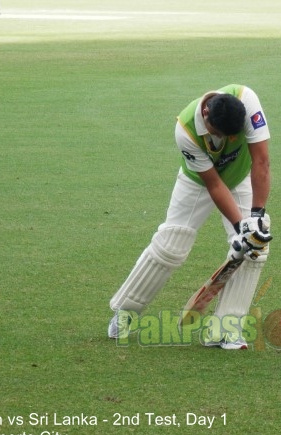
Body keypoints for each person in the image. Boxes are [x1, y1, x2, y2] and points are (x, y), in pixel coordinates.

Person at [107, 84, 272, 349]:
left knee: (255, 249)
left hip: (240, 178)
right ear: (206, 115)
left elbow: (261, 161)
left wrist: (256, 216)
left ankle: (226, 330)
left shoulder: (247, 101)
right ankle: (126, 312)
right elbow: (215, 186)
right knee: (170, 246)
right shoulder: (185, 130)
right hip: (198, 183)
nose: (230, 140)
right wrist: (241, 226)